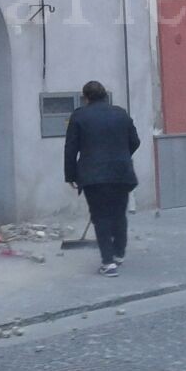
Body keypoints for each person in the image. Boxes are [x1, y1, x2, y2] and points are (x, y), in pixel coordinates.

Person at [64, 80, 139, 277]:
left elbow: (71, 148)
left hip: (94, 176)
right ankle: (119, 254)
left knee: (101, 217)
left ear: (85, 98)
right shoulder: (121, 113)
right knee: (119, 214)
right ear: (105, 95)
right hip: (121, 173)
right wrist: (122, 155)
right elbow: (135, 141)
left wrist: (70, 174)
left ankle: (108, 262)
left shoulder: (79, 116)